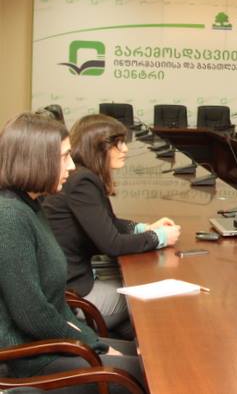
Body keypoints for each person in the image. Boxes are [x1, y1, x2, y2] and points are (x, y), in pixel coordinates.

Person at [0, 113, 143, 391]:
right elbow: (32, 314)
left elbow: (52, 299)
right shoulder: (10, 216)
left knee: (149, 357)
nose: (72, 165)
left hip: (50, 344)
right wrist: (93, 344)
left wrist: (91, 341)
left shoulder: (30, 205)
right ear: (37, 159)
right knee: (148, 374)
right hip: (29, 361)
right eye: (64, 157)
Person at [44, 114, 181, 339]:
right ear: (98, 148)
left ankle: (131, 347)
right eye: (118, 143)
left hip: (73, 283)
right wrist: (159, 237)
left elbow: (109, 222)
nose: (125, 149)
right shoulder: (82, 181)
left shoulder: (82, 176)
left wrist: (143, 227)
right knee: (155, 300)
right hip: (74, 297)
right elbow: (112, 245)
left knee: (141, 310)